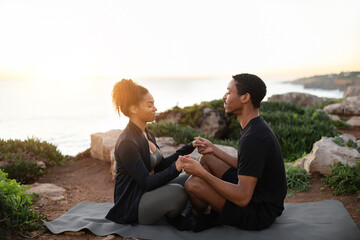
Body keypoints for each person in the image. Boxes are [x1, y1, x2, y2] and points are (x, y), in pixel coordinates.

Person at [180, 73, 287, 232]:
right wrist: (214, 149)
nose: (224, 96)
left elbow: (243, 198)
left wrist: (202, 173)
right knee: (208, 158)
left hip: (259, 212)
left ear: (245, 98)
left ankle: (205, 214)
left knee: (193, 183)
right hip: (257, 192)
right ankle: (211, 206)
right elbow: (246, 167)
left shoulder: (254, 138)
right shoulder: (254, 125)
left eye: (229, 92)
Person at [105, 79, 198, 229]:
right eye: (149, 105)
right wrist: (177, 168)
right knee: (178, 193)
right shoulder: (127, 143)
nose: (155, 108)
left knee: (193, 179)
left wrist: (189, 147)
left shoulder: (147, 134)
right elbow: (147, 182)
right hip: (133, 203)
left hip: (147, 193)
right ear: (134, 108)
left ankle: (183, 215)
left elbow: (161, 167)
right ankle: (179, 218)